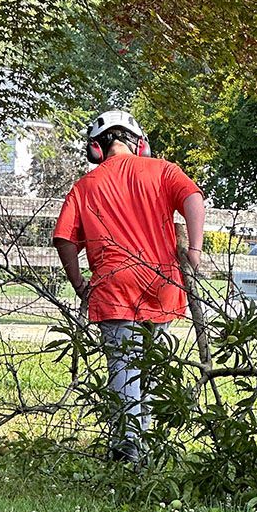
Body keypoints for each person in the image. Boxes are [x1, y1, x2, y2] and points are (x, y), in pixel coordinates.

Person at [52, 110, 205, 462]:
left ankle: (128, 449)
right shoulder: (163, 170)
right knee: (151, 370)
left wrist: (79, 285)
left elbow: (64, 240)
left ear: (96, 148)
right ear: (141, 144)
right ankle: (145, 442)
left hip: (114, 286)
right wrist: (194, 249)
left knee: (124, 368)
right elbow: (194, 199)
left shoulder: (85, 186)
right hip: (163, 283)